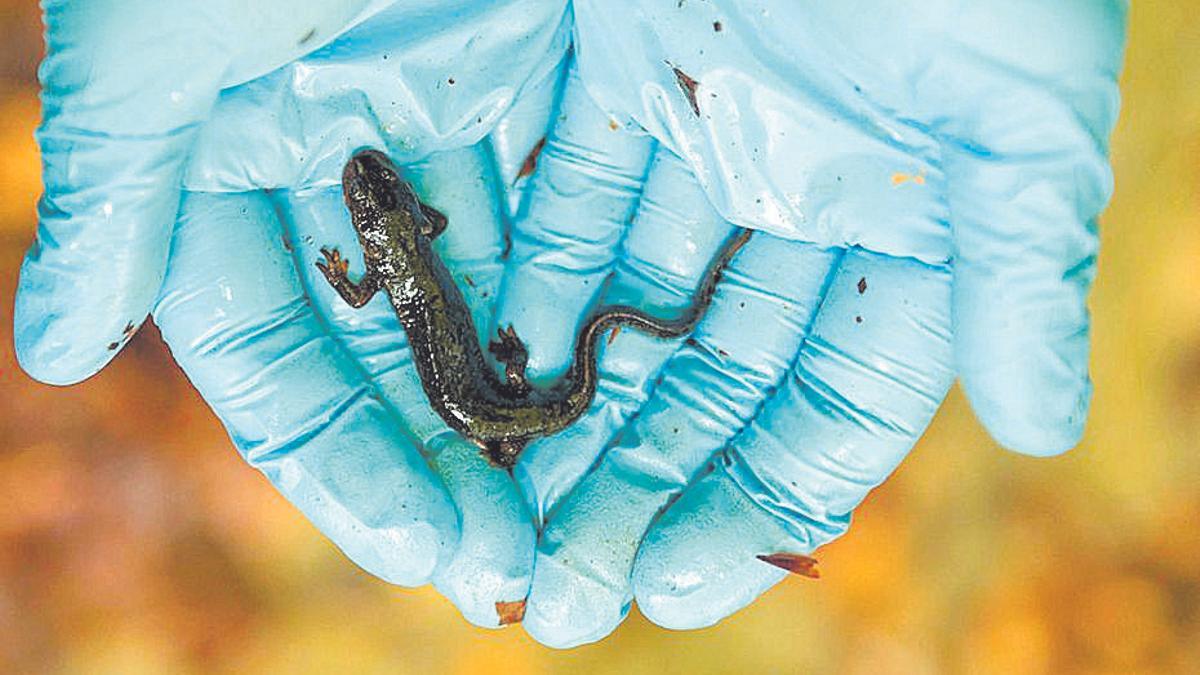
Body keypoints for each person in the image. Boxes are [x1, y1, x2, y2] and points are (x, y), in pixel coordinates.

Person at [14, 0, 1127, 648]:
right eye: (379, 210)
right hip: (490, 392)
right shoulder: (411, 231)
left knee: (492, 384)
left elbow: (380, 284)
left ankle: (527, 394)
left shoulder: (398, 260)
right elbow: (412, 242)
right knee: (508, 374)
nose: (380, 207)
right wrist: (411, 304)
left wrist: (355, 278)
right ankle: (536, 385)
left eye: (374, 212)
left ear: (383, 216)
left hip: (492, 396)